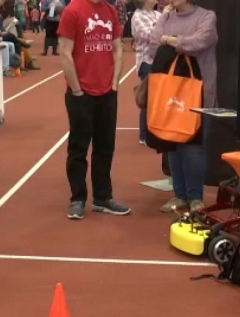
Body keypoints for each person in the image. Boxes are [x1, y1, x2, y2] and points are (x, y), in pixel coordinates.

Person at [58, 0, 130, 220]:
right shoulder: (73, 10)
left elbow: (118, 49)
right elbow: (64, 52)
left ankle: (102, 197)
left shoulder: (109, 11)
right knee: (79, 148)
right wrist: (77, 90)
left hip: (107, 93)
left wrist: (115, 83)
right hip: (81, 94)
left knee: (105, 147)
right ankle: (77, 198)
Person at [148, 0, 217, 213]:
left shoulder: (206, 17)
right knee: (173, 145)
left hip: (199, 93)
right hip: (170, 92)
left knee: (194, 148)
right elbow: (152, 45)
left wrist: (168, 40)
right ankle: (179, 196)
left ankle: (195, 197)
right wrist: (165, 20)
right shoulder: (167, 16)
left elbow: (199, 43)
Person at [131, 0, 159, 145]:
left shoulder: (157, 14)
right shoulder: (138, 16)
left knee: (157, 98)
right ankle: (144, 134)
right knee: (148, 98)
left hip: (159, 61)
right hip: (146, 61)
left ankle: (154, 130)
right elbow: (150, 35)